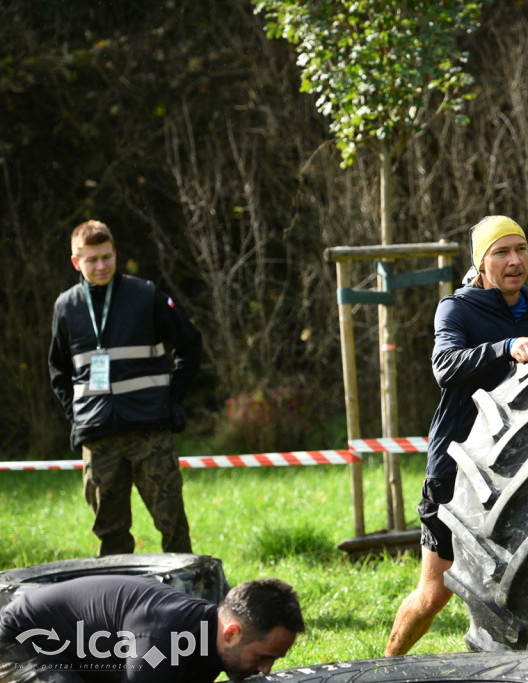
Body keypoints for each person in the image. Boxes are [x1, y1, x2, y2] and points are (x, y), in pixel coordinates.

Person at [384, 215, 528, 656]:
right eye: (501, 252)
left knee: (524, 585)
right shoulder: (457, 308)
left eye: (520, 249)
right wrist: (505, 348)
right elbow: (444, 367)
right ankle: (385, 664)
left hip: (516, 471)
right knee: (434, 594)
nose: (515, 261)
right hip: (455, 467)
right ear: (482, 264)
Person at [48, 220, 203, 556]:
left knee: (172, 524)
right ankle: (116, 605)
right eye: (91, 260)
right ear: (76, 262)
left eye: (106, 256)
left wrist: (171, 400)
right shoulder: (66, 307)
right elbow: (58, 369)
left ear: (115, 254)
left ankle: (190, 604)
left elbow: (190, 345)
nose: (101, 265)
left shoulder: (145, 295)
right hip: (98, 436)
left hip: (150, 431)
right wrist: (76, 414)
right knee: (111, 533)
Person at [0, 575, 304, 682]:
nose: (267, 669)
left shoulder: (210, 642)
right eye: (264, 656)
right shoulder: (163, 643)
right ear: (231, 633)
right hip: (24, 639)